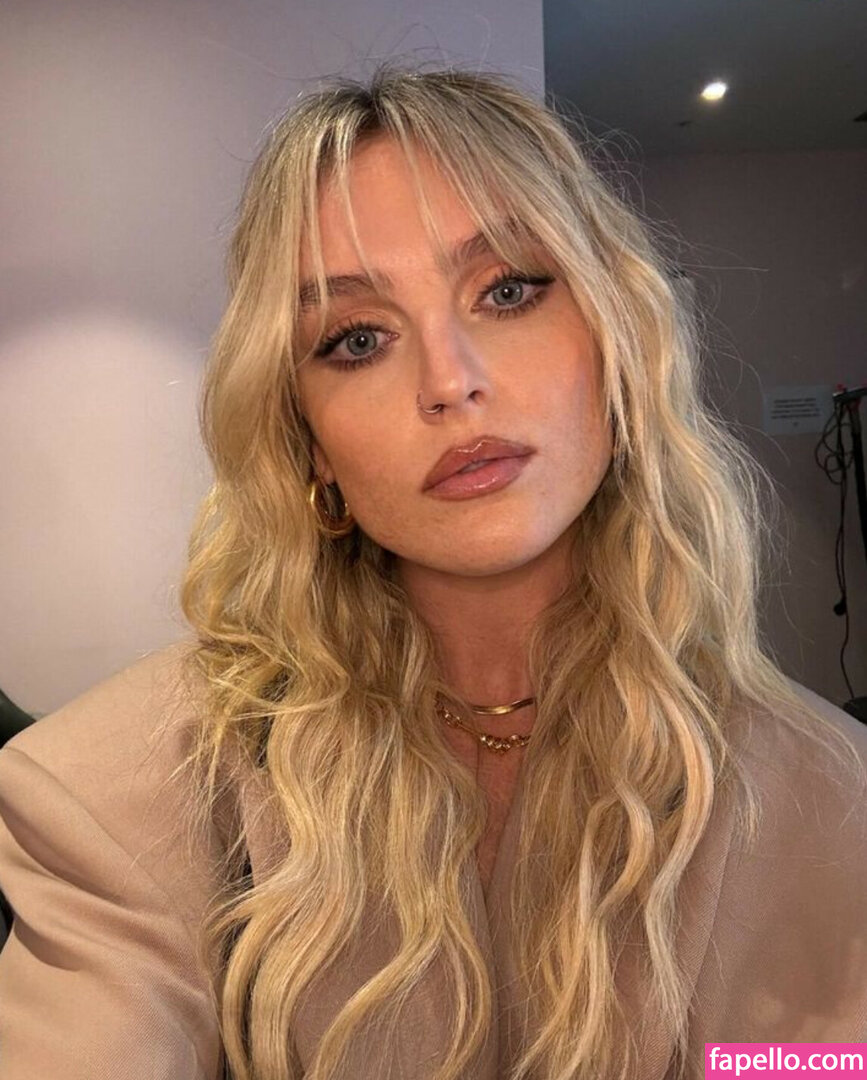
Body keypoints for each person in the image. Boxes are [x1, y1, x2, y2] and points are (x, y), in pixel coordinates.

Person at [0, 61, 865, 1080]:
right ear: (309, 442)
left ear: (617, 341)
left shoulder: (829, 808)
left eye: (508, 290)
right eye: (357, 339)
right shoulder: (107, 800)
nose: (451, 382)